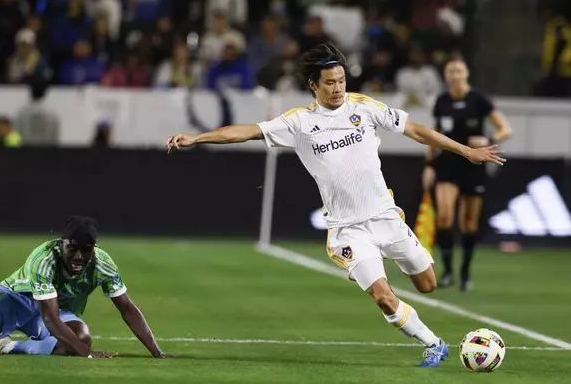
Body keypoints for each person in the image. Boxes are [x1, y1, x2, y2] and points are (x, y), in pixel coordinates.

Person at [166, 44, 505, 367]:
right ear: (314, 85)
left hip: (386, 218)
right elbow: (245, 131)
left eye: (341, 80)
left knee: (427, 284)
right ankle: (434, 344)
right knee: (384, 297)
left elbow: (415, 130)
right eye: (330, 83)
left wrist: (465, 150)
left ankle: (412, 282)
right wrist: (198, 138)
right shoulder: (298, 123)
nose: (338, 88)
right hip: (348, 231)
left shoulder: (364, 107)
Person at [0, 216, 166, 359]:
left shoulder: (103, 263)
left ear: (94, 248)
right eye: (73, 248)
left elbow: (128, 309)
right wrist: (87, 354)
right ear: (61, 243)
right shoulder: (43, 259)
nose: (79, 256)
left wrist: (157, 353)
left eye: (86, 249)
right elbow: (51, 320)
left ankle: (6, 346)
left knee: (79, 338)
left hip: (55, 310)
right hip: (14, 301)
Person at [424, 57, 512, 292]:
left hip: (473, 165)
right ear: (446, 76)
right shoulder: (442, 101)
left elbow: (505, 129)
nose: (455, 75)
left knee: (468, 222)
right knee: (443, 215)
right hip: (447, 164)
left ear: (466, 74)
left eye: (459, 71)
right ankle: (447, 271)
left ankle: (465, 272)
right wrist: (429, 164)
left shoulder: (479, 100)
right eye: (451, 71)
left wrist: (489, 140)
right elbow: (435, 135)